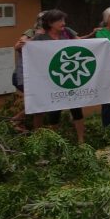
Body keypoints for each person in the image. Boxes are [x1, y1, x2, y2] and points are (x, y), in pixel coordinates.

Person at [31, 10, 86, 144]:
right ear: (50, 23)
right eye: (60, 21)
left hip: (69, 76)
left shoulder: (67, 32)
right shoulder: (40, 37)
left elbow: (83, 44)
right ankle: (55, 142)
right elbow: (26, 49)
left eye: (64, 20)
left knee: (76, 108)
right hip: (52, 80)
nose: (63, 23)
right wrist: (22, 45)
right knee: (54, 111)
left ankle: (81, 141)